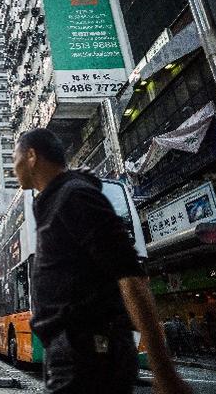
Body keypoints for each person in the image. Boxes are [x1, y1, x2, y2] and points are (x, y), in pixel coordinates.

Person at [13, 129, 191, 394]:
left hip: (88, 355)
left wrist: (163, 370)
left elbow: (130, 277)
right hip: (72, 353)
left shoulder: (75, 196)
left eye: (14, 157)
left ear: (31, 156)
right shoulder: (55, 201)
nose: (13, 167)